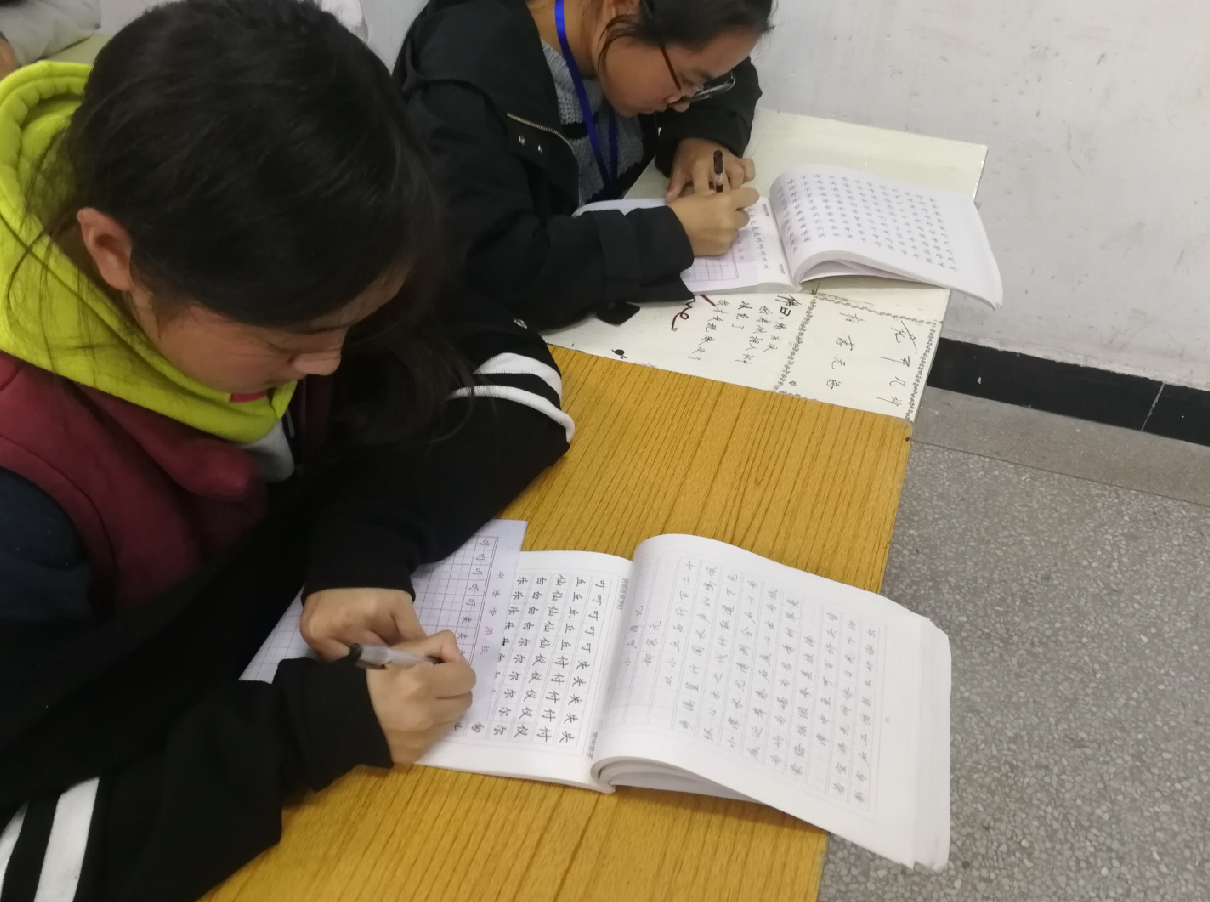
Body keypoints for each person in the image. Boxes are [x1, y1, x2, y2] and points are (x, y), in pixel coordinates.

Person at [0, 1, 571, 899]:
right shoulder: (22, 492)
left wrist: (360, 550)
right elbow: (22, 867)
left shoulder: (307, 247)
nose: (331, 362)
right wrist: (303, 733)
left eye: (356, 322)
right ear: (113, 252)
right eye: (292, 341)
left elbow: (511, 370)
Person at [397, 0, 773, 329]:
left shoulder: (611, 34)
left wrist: (703, 136)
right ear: (621, 5)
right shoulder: (464, 85)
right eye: (687, 81)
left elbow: (729, 70)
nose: (684, 102)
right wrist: (668, 236)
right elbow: (494, 270)